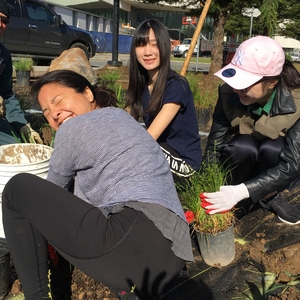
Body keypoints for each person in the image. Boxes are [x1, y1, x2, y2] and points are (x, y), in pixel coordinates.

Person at [2, 69, 193, 300]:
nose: (54, 114)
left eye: (58, 101)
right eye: (46, 111)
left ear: (88, 93)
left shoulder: (71, 129)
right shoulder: (124, 119)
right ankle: (128, 292)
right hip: (172, 252)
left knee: (17, 189)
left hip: (133, 240)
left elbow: (52, 194)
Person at [201, 35, 300, 225]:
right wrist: (209, 185)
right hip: (242, 156)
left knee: (273, 148)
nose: (237, 89)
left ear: (271, 82)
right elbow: (215, 144)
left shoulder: (297, 103)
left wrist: (242, 191)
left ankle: (271, 195)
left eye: (245, 84)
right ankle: (231, 190)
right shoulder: (228, 92)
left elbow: (293, 165)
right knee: (243, 146)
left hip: (274, 160)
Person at [125, 18, 201, 184]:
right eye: (141, 44)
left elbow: (150, 137)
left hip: (184, 164)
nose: (147, 52)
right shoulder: (140, 84)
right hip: (157, 154)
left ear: (165, 47)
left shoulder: (176, 86)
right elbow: (127, 126)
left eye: (154, 44)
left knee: (135, 154)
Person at [0, 0, 42, 144]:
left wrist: (24, 126)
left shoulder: (3, 55)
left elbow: (6, 95)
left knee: (16, 146)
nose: (0, 24)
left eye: (4, 20)